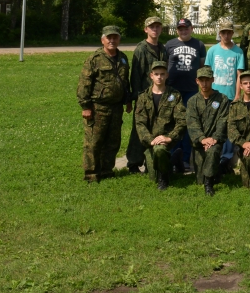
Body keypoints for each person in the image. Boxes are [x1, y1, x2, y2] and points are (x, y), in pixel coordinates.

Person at [77, 26, 132, 182]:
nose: (112, 40)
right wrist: (86, 106)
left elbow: (125, 82)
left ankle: (107, 170)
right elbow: (84, 84)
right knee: (94, 141)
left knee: (113, 141)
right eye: (109, 38)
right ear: (102, 40)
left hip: (116, 107)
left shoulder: (122, 58)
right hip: (97, 107)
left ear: (119, 39)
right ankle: (91, 174)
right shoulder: (94, 59)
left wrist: (127, 100)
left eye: (115, 37)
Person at [133, 60, 185, 191]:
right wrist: (151, 140)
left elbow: (182, 121)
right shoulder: (143, 97)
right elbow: (139, 123)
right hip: (150, 140)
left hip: (167, 138)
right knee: (152, 176)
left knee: (160, 151)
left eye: (162, 74)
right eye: (156, 74)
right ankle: (173, 160)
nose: (159, 77)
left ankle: (164, 178)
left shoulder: (175, 95)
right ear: (151, 76)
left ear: (167, 75)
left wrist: (169, 137)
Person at [126, 16, 169, 174]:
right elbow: (135, 75)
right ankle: (133, 162)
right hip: (144, 96)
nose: (155, 29)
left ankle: (151, 160)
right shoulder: (141, 49)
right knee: (139, 129)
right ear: (146, 29)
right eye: (152, 27)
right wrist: (137, 97)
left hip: (160, 94)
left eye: (158, 26)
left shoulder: (163, 49)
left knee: (157, 127)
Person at [166, 17, 208, 175]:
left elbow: (202, 66)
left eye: (186, 28)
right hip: (173, 90)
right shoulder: (170, 44)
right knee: (174, 123)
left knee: (189, 124)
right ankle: (173, 156)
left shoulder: (199, 45)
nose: (183, 31)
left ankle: (185, 158)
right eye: (180, 29)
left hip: (191, 89)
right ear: (177, 30)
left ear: (191, 29)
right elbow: (164, 65)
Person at [185, 66, 231, 196]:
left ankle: (209, 184)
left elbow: (223, 120)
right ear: (197, 81)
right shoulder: (192, 101)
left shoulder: (222, 99)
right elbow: (192, 123)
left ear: (213, 80)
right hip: (199, 143)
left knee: (212, 152)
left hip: (215, 141)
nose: (204, 84)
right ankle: (216, 172)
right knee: (199, 179)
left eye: (207, 80)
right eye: (201, 80)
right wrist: (202, 139)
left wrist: (214, 138)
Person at [205, 17, 245, 100]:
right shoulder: (212, 51)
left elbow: (239, 76)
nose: (226, 36)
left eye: (229, 33)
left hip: (230, 95)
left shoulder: (238, 52)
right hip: (214, 94)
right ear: (219, 33)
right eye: (223, 33)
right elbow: (207, 74)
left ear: (232, 33)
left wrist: (237, 95)